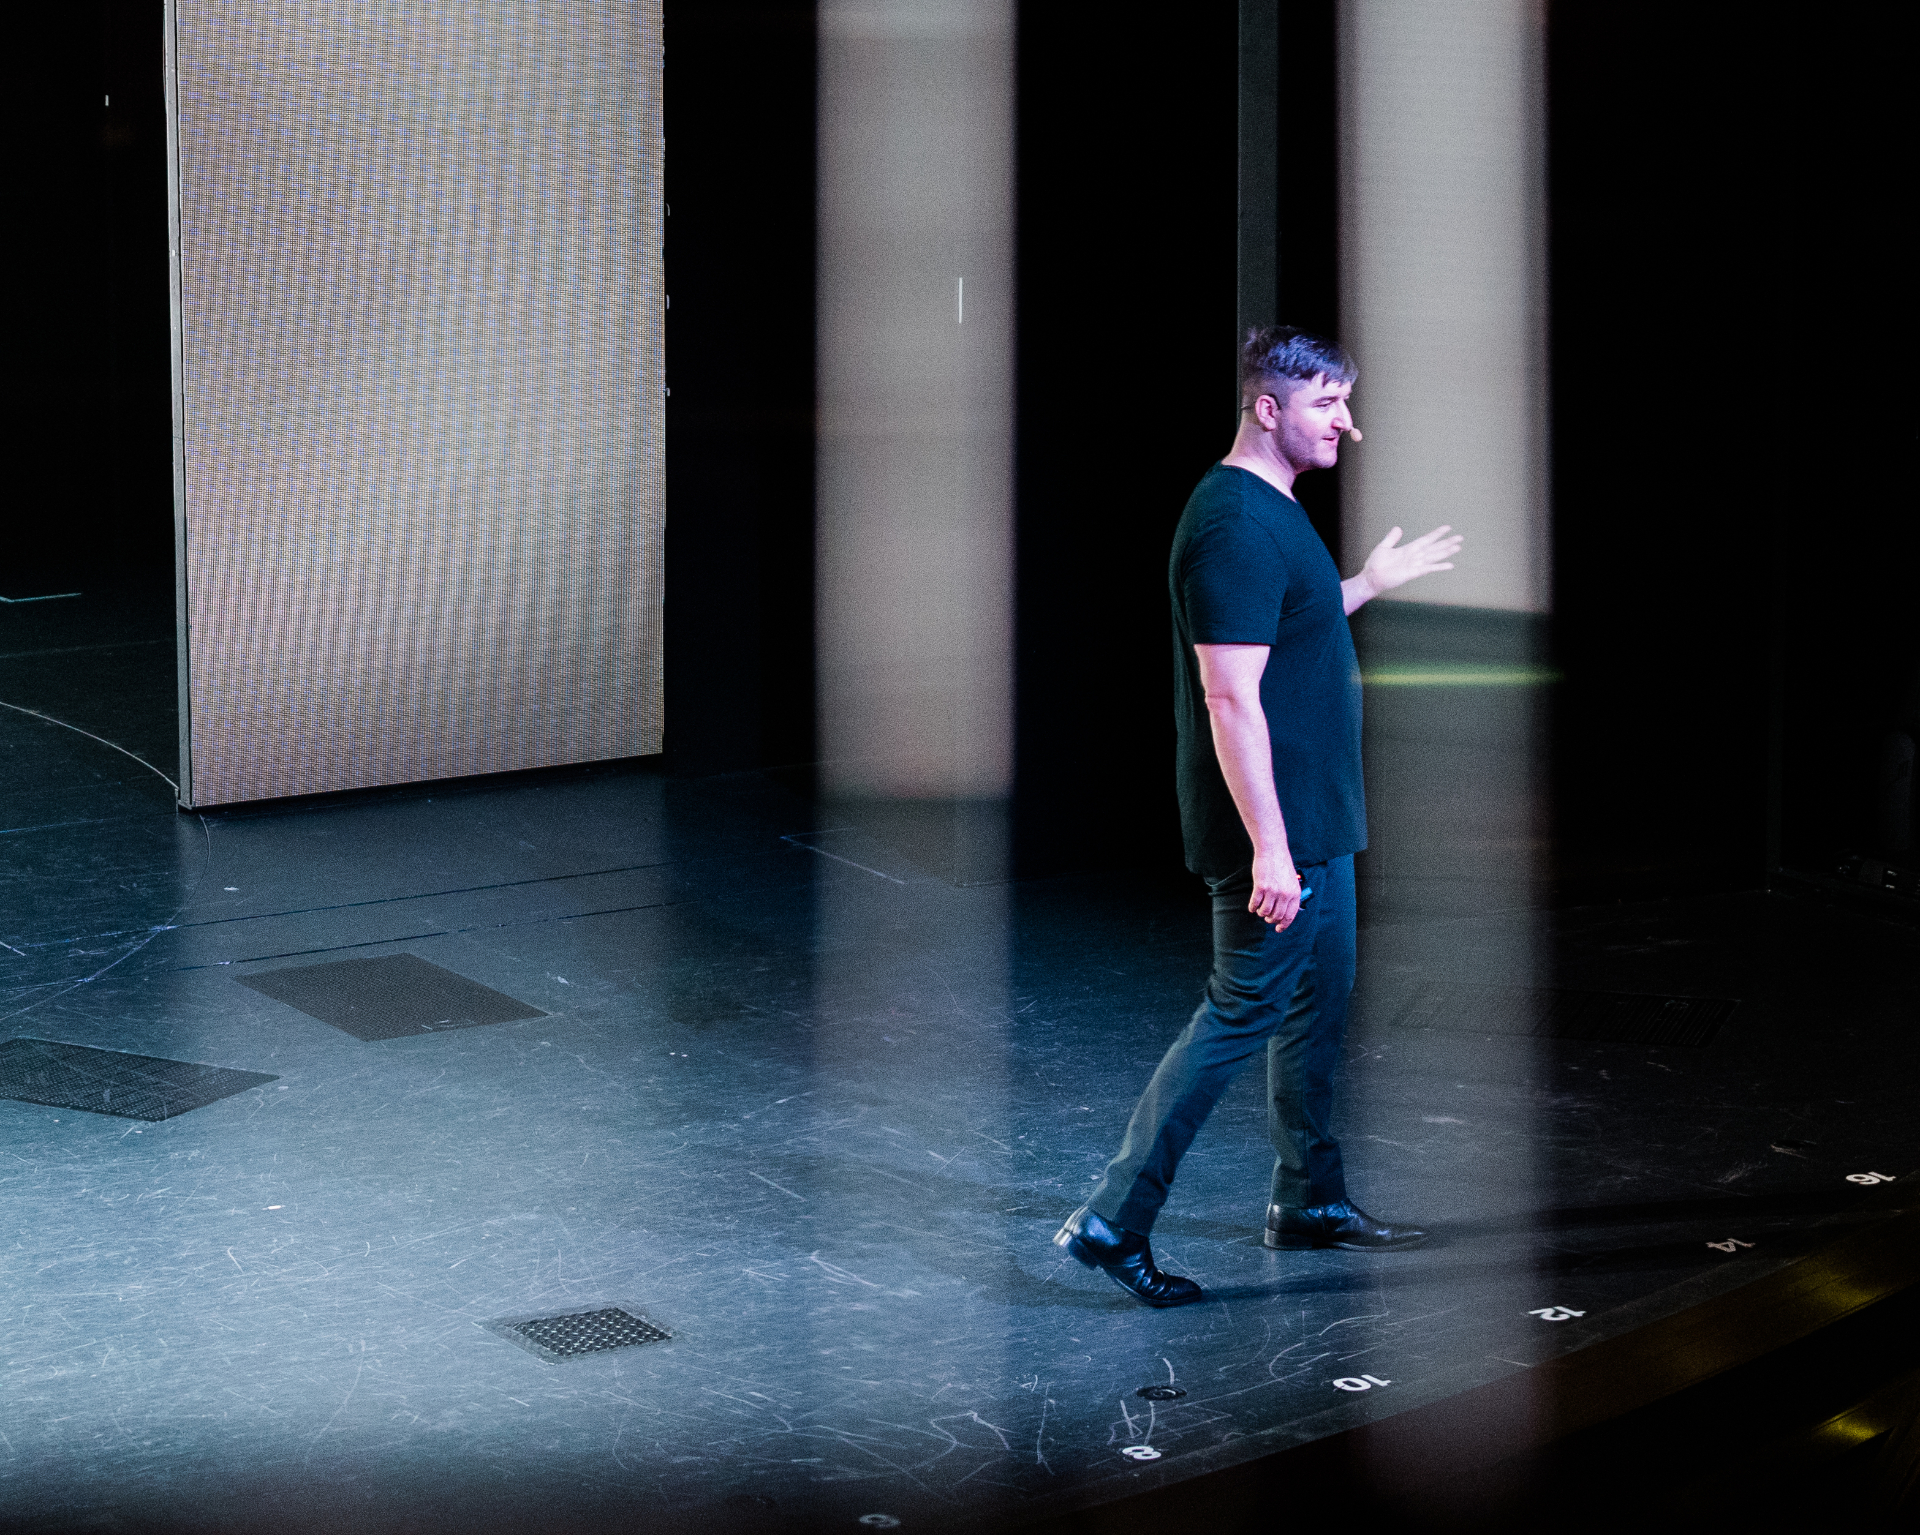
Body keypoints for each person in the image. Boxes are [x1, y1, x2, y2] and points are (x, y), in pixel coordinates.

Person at [1055, 325, 1463, 1307]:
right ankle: (1114, 1218)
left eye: (1347, 402)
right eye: (1328, 404)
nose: (1348, 424)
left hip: (1321, 822)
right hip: (1274, 833)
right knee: (1240, 1012)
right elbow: (1229, 695)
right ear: (1268, 408)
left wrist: (1368, 584)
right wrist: (1270, 848)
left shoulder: (1275, 509)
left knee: (1320, 1006)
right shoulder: (1233, 523)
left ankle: (1308, 1198)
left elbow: (1290, 628)